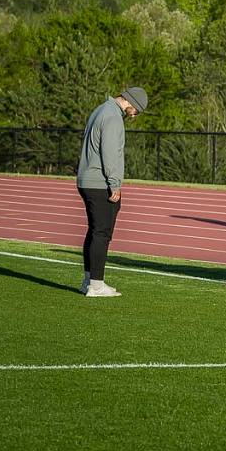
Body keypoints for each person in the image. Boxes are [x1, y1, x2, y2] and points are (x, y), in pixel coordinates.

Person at [77, 86, 148, 297]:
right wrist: (115, 183)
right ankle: (96, 285)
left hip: (87, 179)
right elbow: (110, 153)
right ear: (130, 102)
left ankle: (89, 279)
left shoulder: (100, 110)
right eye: (137, 110)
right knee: (102, 233)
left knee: (93, 231)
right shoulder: (113, 117)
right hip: (100, 182)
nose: (135, 115)